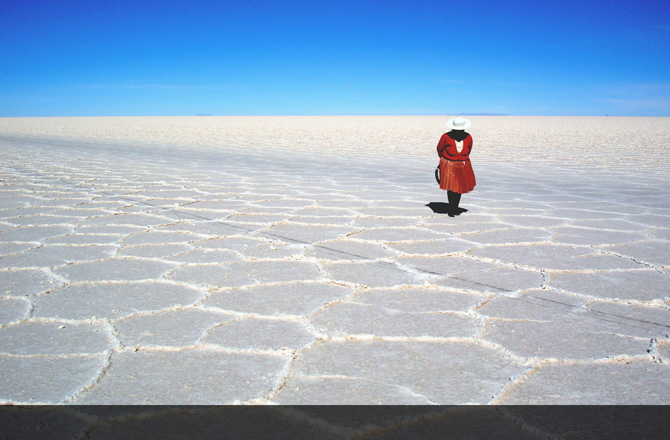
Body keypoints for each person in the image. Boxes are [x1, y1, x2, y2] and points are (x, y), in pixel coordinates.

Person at [436, 117, 476, 216]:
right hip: (449, 163)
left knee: (459, 187)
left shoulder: (468, 137)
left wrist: (462, 159)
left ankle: (455, 207)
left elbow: (469, 149)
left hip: (462, 164)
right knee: (451, 187)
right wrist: (445, 160)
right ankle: (452, 208)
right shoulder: (445, 137)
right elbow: (439, 149)